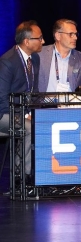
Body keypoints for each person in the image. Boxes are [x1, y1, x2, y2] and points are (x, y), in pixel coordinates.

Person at [0, 20, 45, 177]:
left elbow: (34, 91)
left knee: (45, 122)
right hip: (4, 114)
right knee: (29, 128)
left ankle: (45, 173)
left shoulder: (35, 58)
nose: (43, 41)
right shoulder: (8, 62)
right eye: (39, 38)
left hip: (22, 113)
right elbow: (2, 99)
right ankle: (23, 177)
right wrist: (24, 115)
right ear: (27, 41)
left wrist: (34, 112)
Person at [38, 19, 81, 92]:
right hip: (45, 99)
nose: (75, 38)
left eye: (75, 34)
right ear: (58, 36)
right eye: (71, 34)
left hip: (71, 99)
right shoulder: (40, 54)